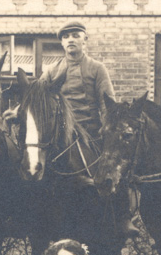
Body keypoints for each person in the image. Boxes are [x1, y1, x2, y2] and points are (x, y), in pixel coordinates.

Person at [44, 20, 141, 239]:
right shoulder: (51, 70)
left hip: (91, 131)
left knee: (113, 164)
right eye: (66, 36)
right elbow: (37, 96)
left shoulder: (97, 68)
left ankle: (123, 217)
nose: (71, 39)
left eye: (76, 35)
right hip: (60, 133)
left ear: (84, 40)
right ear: (61, 42)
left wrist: (106, 130)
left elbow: (109, 104)